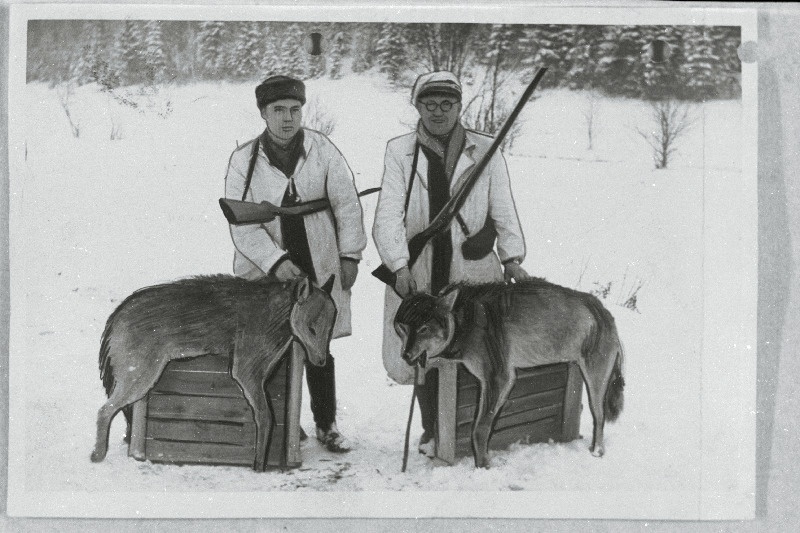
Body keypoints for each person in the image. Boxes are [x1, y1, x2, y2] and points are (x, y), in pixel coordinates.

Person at [372, 70, 531, 457]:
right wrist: (399, 265)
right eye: (430, 104)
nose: (438, 112)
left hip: (470, 269)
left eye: (447, 104)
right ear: (417, 106)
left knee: (475, 346)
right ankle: (432, 431)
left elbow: (504, 209)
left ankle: (470, 431)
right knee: (423, 349)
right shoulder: (399, 151)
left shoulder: (486, 150)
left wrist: (511, 258)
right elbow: (388, 214)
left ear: (460, 106)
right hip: (421, 267)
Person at [225, 75, 367, 453]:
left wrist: (350, 255)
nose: (288, 118)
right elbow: (241, 225)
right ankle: (284, 420)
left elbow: (347, 203)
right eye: (278, 110)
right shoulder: (244, 160)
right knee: (271, 344)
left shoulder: (323, 150)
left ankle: (326, 424)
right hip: (267, 270)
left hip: (318, 255)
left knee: (318, 344)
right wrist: (276, 263)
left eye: (294, 109)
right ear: (263, 114)